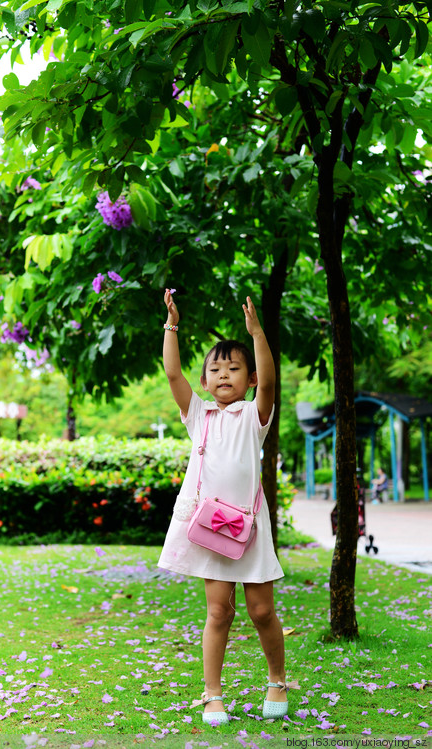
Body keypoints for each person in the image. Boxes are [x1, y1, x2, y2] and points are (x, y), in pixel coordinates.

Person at [158, 289, 298, 726]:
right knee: (218, 611)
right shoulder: (199, 415)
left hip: (249, 529)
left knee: (261, 611)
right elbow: (172, 373)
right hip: (209, 528)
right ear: (204, 382)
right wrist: (172, 325)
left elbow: (272, 382)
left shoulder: (255, 416)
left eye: (234, 369)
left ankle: (277, 680)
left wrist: (257, 333)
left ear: (249, 379)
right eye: (215, 369)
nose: (223, 375)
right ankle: (212, 694)